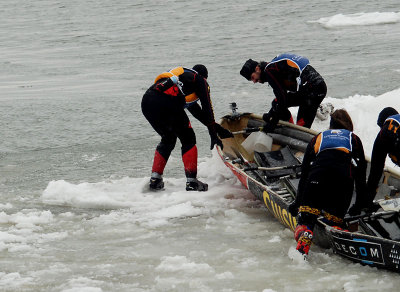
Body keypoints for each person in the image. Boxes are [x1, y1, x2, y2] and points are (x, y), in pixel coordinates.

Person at [288, 109, 367, 256]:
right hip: (342, 182)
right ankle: (337, 228)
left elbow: (304, 173)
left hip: (317, 178)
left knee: (306, 219)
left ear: (330, 125)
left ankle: (305, 232)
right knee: (334, 219)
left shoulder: (318, 138)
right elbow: (361, 175)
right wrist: (359, 206)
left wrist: (298, 203)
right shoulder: (353, 139)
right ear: (349, 126)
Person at [141, 64, 233, 191]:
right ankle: (192, 183)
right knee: (188, 139)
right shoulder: (199, 80)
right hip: (167, 102)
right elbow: (208, 109)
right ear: (204, 77)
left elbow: (198, 113)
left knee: (168, 139)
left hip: (147, 101)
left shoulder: (184, 79)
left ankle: (155, 180)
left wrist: (218, 129)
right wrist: (213, 135)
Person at [240, 53, 327, 131]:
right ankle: (291, 129)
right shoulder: (274, 66)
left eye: (252, 77)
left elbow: (282, 99)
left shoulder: (269, 71)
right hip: (315, 88)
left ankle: (293, 133)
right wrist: (271, 113)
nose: (254, 81)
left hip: (313, 91)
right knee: (276, 104)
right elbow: (282, 99)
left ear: (257, 69)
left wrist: (273, 122)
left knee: (301, 129)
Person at [350, 107, 400, 214]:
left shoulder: (385, 128)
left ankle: (363, 204)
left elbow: (375, 173)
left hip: (385, 136)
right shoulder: (394, 123)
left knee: (375, 172)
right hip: (392, 136)